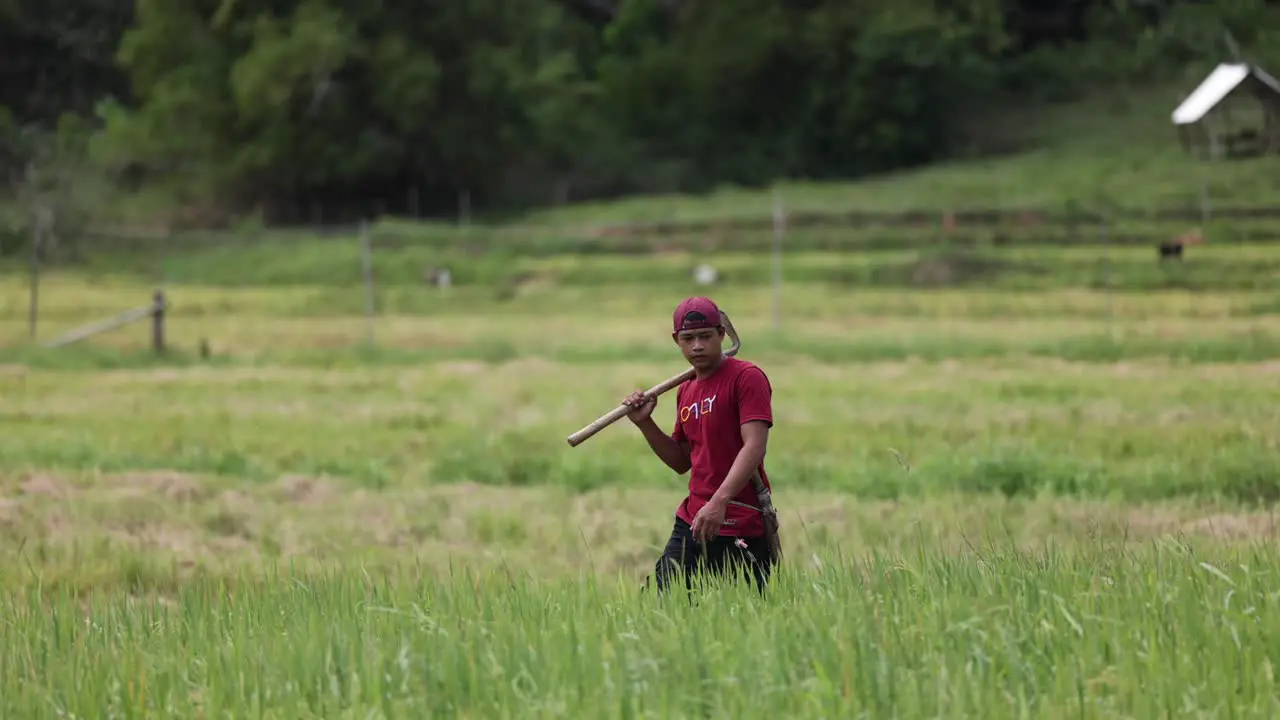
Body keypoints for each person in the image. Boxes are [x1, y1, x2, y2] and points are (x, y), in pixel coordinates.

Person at [622, 296, 777, 595]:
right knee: (661, 602)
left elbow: (755, 446)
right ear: (675, 340)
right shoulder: (687, 390)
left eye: (705, 336)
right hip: (694, 518)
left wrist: (719, 502)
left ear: (721, 334)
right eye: (688, 338)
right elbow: (682, 461)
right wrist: (644, 423)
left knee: (744, 616)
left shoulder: (747, 378)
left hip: (741, 518)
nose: (697, 346)